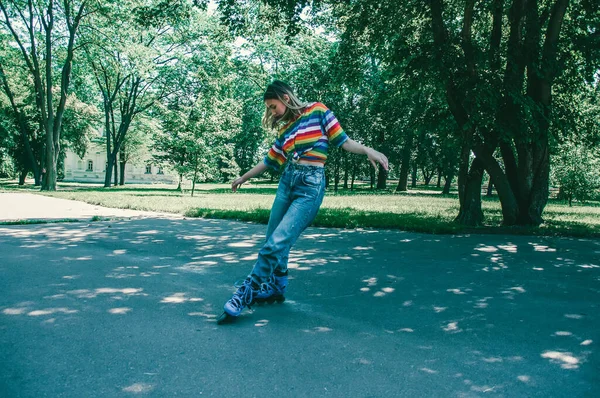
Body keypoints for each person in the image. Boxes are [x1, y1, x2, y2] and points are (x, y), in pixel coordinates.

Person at [222, 80, 388, 318]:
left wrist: (368, 150)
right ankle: (277, 288)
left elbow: (344, 141)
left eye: (272, 106)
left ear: (285, 98)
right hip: (287, 182)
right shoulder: (284, 128)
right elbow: (269, 161)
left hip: (310, 187)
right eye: (268, 108)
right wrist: (242, 178)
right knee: (272, 238)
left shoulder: (318, 111)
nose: (271, 112)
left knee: (276, 243)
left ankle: (247, 292)